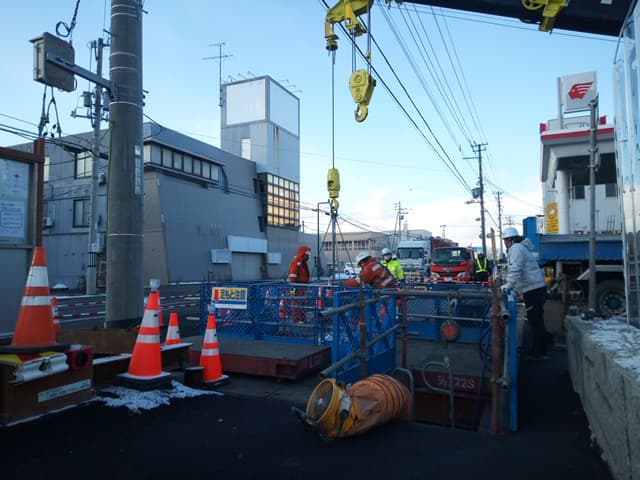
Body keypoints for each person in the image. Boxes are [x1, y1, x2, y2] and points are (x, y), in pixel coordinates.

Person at [501, 227, 550, 359]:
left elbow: (516, 270)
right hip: (534, 289)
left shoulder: (516, 249)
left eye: (505, 240)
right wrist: (516, 290)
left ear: (511, 239)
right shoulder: (520, 248)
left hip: (534, 290)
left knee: (536, 321)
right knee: (535, 320)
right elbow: (521, 273)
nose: (504, 242)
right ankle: (537, 349)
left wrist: (508, 286)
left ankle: (540, 352)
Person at [288, 245, 311, 323]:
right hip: (297, 287)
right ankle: (297, 319)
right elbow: (292, 278)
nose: (308, 256)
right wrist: (292, 291)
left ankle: (302, 318)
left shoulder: (303, 263)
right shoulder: (296, 262)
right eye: (306, 254)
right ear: (302, 253)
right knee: (297, 303)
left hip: (303, 287)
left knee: (302, 303)